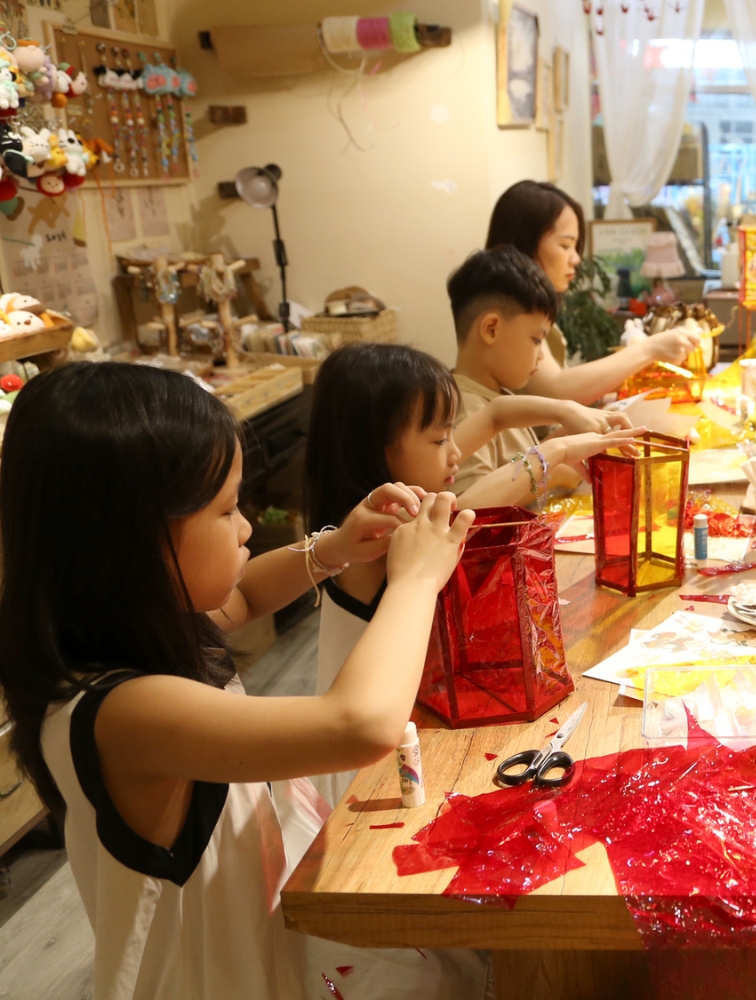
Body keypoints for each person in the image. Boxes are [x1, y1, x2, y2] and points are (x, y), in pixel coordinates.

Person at [0, 362, 487, 998]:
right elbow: (360, 723)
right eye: (227, 509)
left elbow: (243, 596)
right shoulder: (121, 711)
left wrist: (336, 547)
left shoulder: (137, 629)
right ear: (130, 539)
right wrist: (417, 578)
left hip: (266, 947)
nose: (247, 527)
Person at [304, 343, 637, 801]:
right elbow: (464, 515)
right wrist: (555, 450)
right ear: (374, 449)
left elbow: (495, 413)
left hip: (409, 727)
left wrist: (566, 410)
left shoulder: (389, 503)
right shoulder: (378, 529)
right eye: (439, 440)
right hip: (370, 767)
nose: (456, 451)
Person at [485, 180, 700, 403]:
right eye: (565, 245)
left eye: (575, 247)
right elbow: (556, 390)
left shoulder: (530, 305)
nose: (576, 259)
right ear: (524, 243)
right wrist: (649, 349)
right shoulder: (509, 310)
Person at [449, 245, 630, 496]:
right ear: (491, 329)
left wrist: (571, 436)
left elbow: (517, 461)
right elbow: (469, 508)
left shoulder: (496, 395)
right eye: (536, 339)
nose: (542, 355)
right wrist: (554, 471)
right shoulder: (464, 409)